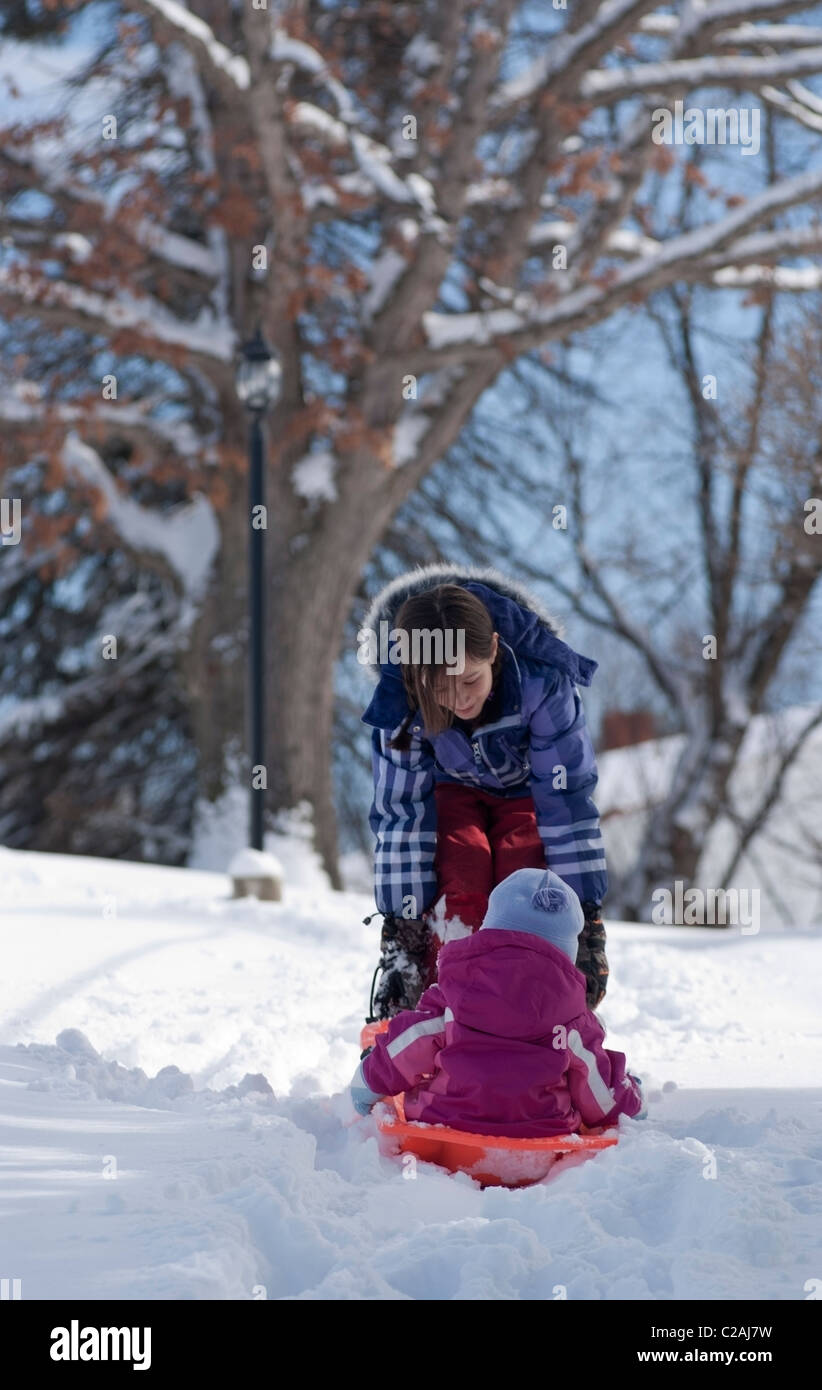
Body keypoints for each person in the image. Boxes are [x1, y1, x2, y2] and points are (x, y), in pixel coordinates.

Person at [360, 563, 608, 1020]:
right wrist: (402, 930)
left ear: (493, 649)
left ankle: (537, 1003)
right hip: (450, 792)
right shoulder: (400, 705)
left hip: (530, 794)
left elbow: (567, 800)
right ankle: (448, 1004)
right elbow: (401, 813)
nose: (459, 700)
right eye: (440, 689)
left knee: (525, 875)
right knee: (462, 869)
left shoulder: (541, 684)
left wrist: (585, 917)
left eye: (469, 680)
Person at [350, 868, 645, 1134]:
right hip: (541, 1137)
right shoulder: (573, 1017)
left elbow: (409, 1043)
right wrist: (632, 1099)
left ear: (489, 933)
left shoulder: (456, 993)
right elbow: (601, 1097)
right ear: (567, 952)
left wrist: (368, 1081)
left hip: (446, 1130)